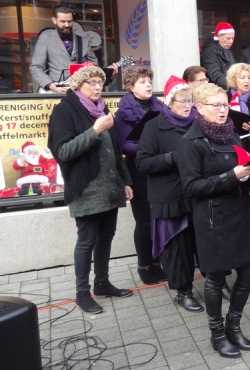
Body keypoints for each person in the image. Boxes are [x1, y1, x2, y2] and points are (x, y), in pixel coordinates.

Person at [176, 83, 250, 358]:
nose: (223, 111)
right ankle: (217, 333)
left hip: (240, 214)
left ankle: (234, 326)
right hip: (213, 219)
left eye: (225, 105)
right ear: (199, 108)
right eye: (216, 105)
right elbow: (190, 188)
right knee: (214, 279)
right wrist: (231, 176)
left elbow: (242, 172)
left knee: (248, 273)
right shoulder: (190, 142)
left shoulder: (233, 136)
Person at [47, 65, 133, 314]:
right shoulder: (65, 110)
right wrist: (95, 130)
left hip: (110, 186)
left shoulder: (102, 109)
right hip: (86, 187)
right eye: (91, 82)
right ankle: (82, 293)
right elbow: (63, 151)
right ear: (77, 85)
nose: (97, 87)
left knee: (106, 236)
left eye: (100, 82)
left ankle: (102, 283)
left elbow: (117, 152)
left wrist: (126, 181)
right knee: (86, 240)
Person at [135, 76, 202, 312]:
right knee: (177, 247)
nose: (187, 105)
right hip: (170, 196)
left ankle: (216, 280)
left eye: (190, 101)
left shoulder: (199, 122)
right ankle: (183, 291)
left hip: (198, 192)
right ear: (170, 102)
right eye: (182, 101)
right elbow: (142, 163)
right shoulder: (154, 126)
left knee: (205, 242)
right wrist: (171, 158)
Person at [113, 65, 167, 285]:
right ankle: (144, 265)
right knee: (145, 222)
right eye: (142, 82)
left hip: (159, 170)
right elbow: (124, 145)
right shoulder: (123, 112)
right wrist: (149, 146)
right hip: (139, 172)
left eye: (149, 81)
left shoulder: (160, 107)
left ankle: (157, 263)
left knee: (159, 220)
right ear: (131, 85)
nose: (148, 85)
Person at [30, 5, 118, 93]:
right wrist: (51, 86)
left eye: (69, 21)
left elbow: (94, 68)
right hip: (55, 88)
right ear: (54, 20)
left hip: (79, 90)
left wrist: (109, 74)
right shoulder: (45, 39)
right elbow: (36, 67)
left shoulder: (83, 41)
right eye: (63, 21)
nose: (67, 25)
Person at [200, 22, 237, 90]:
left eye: (233, 38)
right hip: (216, 90)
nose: (231, 41)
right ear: (219, 37)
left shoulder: (226, 48)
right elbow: (215, 74)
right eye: (228, 38)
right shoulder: (209, 51)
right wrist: (235, 84)